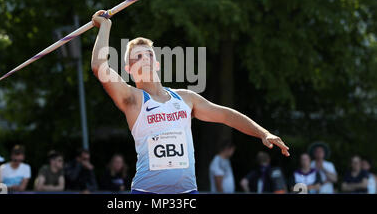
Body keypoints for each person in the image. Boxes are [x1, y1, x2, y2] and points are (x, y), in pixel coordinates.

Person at [90, 10, 290, 194]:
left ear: (157, 63)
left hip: (187, 193)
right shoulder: (132, 99)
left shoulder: (185, 98)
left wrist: (263, 133)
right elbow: (100, 66)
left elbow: (226, 115)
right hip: (148, 192)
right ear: (128, 70)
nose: (145, 59)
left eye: (149, 54)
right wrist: (105, 26)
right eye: (138, 57)